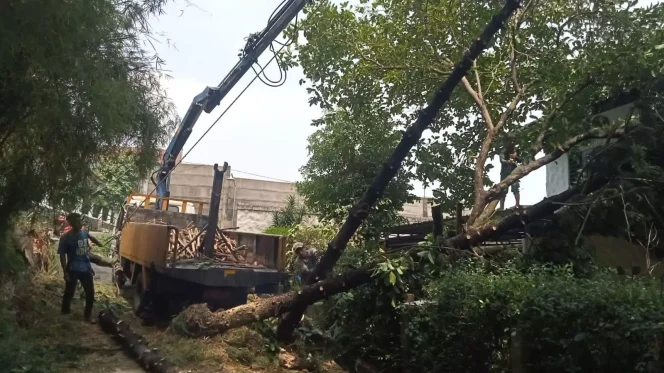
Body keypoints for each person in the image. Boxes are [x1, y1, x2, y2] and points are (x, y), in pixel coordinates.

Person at [58, 213, 100, 323]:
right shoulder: (66, 238)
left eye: (79, 221)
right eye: (76, 221)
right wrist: (65, 272)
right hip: (73, 269)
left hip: (85, 269)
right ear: (71, 223)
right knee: (69, 292)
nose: (79, 223)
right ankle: (65, 312)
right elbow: (62, 255)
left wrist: (90, 267)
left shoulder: (84, 233)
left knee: (90, 293)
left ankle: (87, 316)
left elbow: (86, 252)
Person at [499, 135, 521, 210]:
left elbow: (521, 159)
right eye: (510, 140)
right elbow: (502, 160)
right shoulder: (504, 151)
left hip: (514, 172)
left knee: (515, 188)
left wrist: (516, 157)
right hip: (504, 173)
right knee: (503, 190)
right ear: (507, 141)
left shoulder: (517, 150)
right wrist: (508, 161)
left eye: (513, 140)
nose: (512, 142)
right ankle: (501, 207)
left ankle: (517, 205)